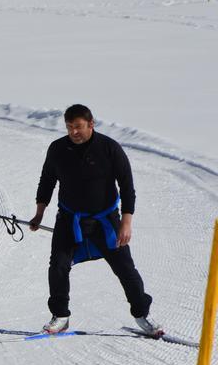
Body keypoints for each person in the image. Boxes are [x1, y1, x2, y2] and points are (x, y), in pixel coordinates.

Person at [29, 104, 162, 336]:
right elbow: (47, 181)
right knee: (58, 266)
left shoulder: (109, 148)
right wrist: (39, 213)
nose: (73, 132)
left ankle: (142, 315)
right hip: (70, 218)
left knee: (125, 268)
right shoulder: (58, 149)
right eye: (69, 127)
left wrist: (126, 222)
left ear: (91, 124)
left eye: (78, 127)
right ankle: (60, 316)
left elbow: (127, 186)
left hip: (106, 220)